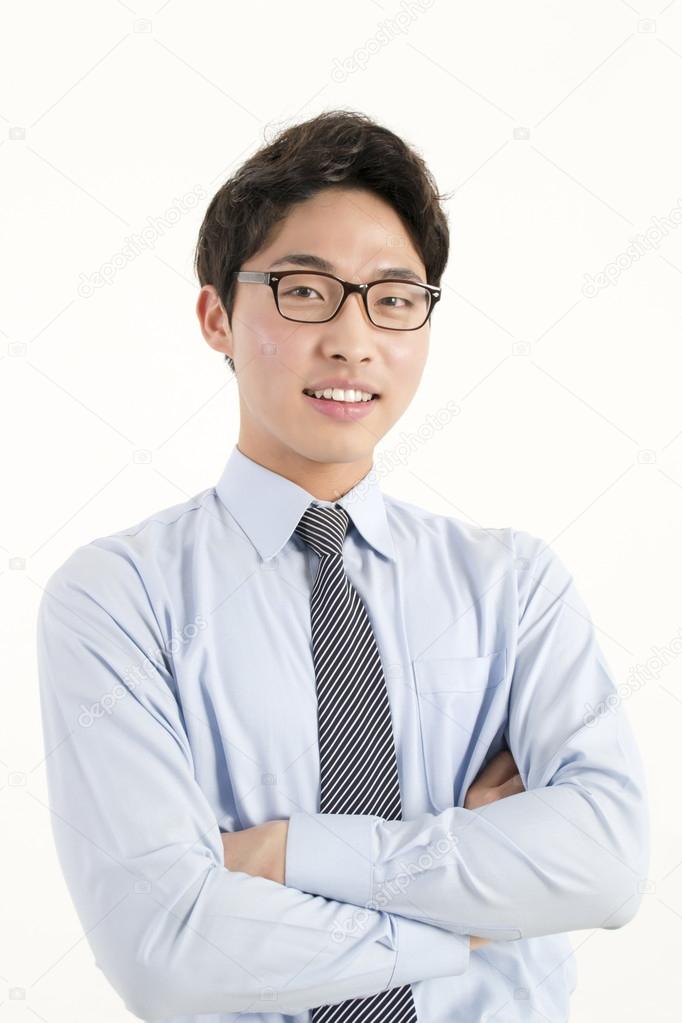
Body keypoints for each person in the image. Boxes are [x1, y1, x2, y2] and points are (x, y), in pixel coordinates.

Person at [36, 110, 649, 1022]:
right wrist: (479, 912)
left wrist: (285, 854)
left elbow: (606, 862)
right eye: (306, 291)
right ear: (218, 316)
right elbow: (169, 948)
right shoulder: (118, 597)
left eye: (394, 298)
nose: (354, 339)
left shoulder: (513, 586)